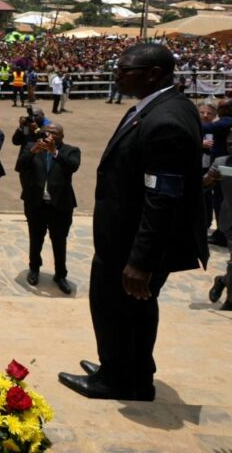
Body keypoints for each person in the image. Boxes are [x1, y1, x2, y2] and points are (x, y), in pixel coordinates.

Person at [59, 43, 208, 402]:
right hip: (123, 238)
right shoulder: (159, 106)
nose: (117, 75)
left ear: (153, 74)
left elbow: (163, 198)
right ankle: (123, 368)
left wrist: (141, 262)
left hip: (132, 244)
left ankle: (122, 380)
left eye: (126, 70)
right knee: (125, 311)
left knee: (121, 309)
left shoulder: (166, 121)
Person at [17, 123, 80, 294]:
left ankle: (60, 275)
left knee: (59, 241)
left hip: (60, 205)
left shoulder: (71, 150)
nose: (50, 135)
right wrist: (32, 151)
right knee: (35, 238)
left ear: (62, 136)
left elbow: (73, 166)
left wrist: (54, 152)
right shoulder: (32, 147)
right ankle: (34, 269)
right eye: (47, 132)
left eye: (54, 133)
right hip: (36, 204)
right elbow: (19, 167)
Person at [203, 133, 232, 310]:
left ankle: (222, 280)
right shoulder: (221, 162)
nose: (231, 146)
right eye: (229, 143)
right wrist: (210, 178)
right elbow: (203, 185)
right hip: (230, 219)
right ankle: (230, 301)